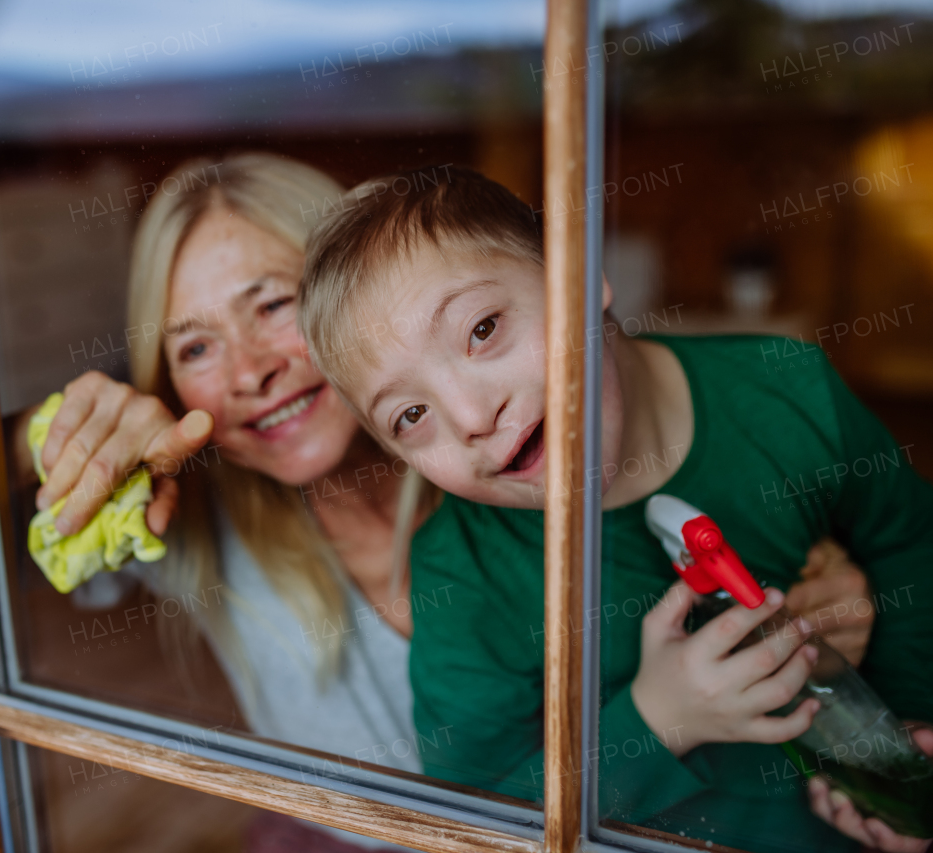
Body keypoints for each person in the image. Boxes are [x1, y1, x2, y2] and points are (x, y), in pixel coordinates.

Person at [32, 153, 878, 852]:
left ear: (359, 300)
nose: (250, 370)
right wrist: (64, 439)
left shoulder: (554, 463)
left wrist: (819, 601)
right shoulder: (192, 522)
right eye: (196, 345)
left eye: (275, 305)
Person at [296, 165, 933, 853]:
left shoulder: (789, 389)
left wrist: (899, 741)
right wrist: (658, 721)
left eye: (483, 329)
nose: (473, 415)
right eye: (411, 414)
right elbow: (472, 821)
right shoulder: (462, 570)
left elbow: (912, 549)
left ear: (579, 279)